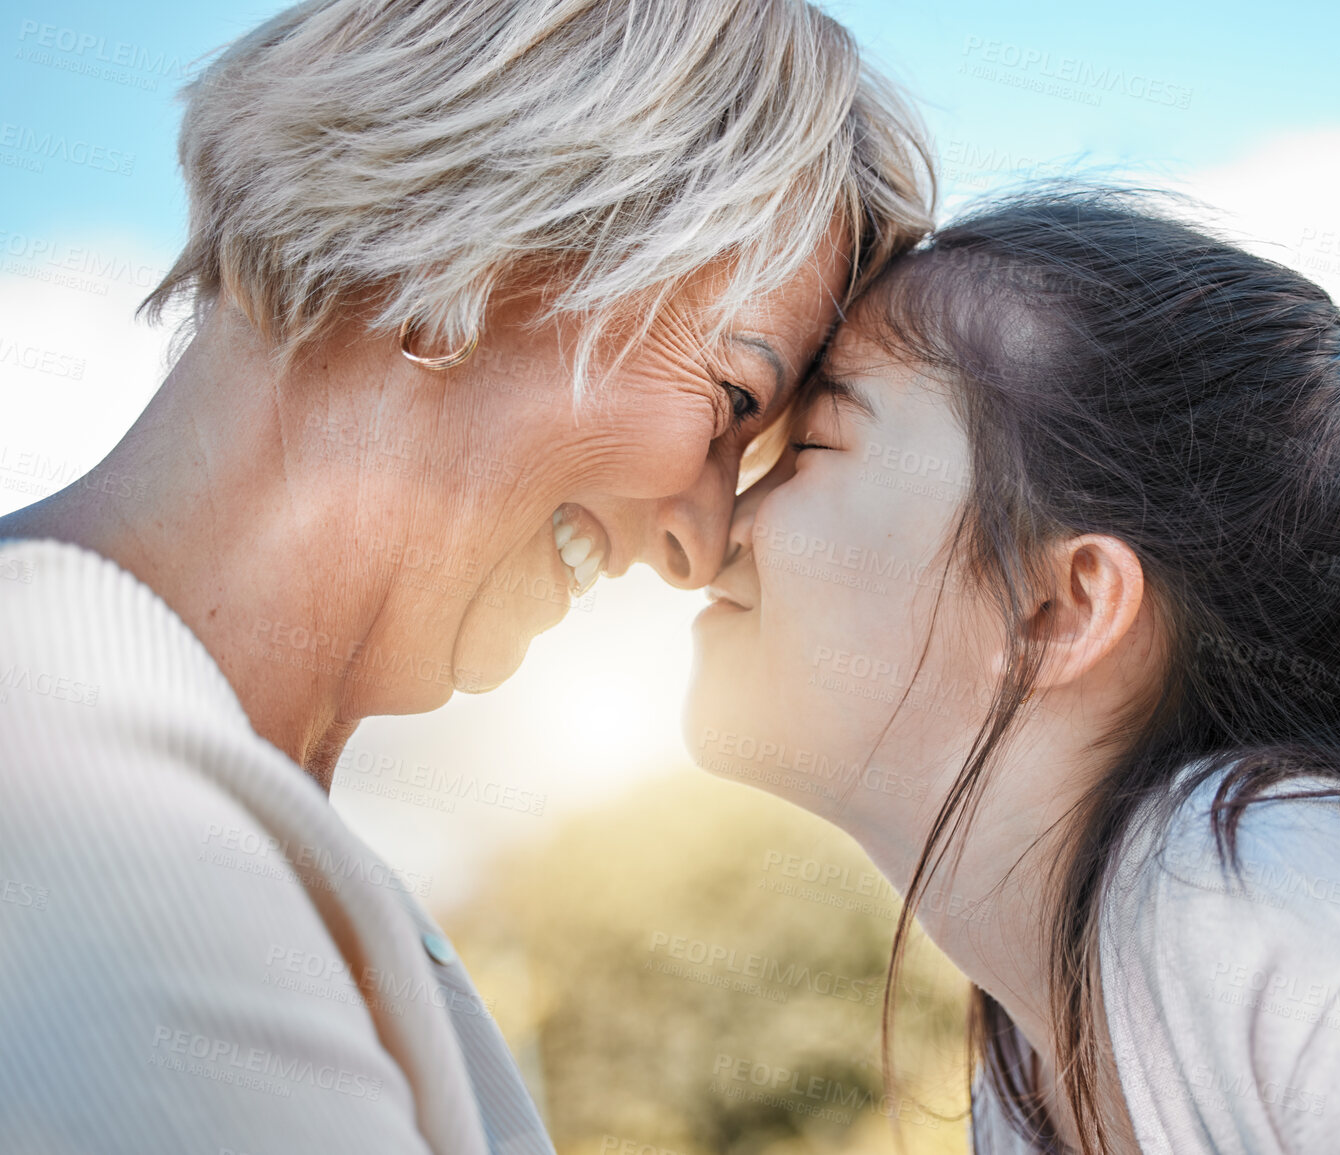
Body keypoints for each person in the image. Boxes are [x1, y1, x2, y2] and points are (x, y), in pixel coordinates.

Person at [0, 1, 931, 1151]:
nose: (700, 539)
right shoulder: (86, 797)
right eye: (734, 398)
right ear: (464, 257)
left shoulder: (221, 815)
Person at [685, 188, 1340, 1153]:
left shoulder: (1291, 924)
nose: (719, 518)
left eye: (815, 444)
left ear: (1058, 608)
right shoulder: (1034, 1062)